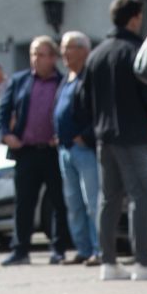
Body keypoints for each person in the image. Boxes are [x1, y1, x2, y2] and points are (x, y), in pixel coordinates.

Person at [81, 0, 147, 282]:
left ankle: (109, 262)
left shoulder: (96, 54)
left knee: (108, 199)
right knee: (139, 197)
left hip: (103, 137)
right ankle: (144, 262)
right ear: (134, 18)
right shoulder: (135, 50)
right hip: (132, 135)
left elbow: (83, 101)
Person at [0, 36, 68, 266]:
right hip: (26, 151)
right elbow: (3, 112)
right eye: (33, 54)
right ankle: (20, 250)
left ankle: (58, 248)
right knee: (24, 202)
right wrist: (7, 134)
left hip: (52, 151)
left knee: (58, 201)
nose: (35, 59)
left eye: (41, 54)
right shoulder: (20, 81)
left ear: (53, 57)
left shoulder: (63, 82)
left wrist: (63, 135)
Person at [55, 31, 99, 266]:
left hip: (85, 149)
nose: (64, 52)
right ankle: (82, 248)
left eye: (69, 47)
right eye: (63, 48)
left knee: (92, 202)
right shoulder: (67, 78)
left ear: (84, 50)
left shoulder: (90, 77)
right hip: (65, 149)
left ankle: (99, 249)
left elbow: (100, 111)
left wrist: (87, 136)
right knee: (73, 203)